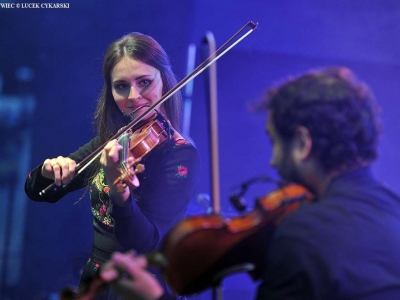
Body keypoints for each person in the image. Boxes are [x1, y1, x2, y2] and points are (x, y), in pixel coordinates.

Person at [98, 66, 400, 300]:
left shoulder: (301, 234)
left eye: (275, 142)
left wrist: (155, 297)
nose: (272, 162)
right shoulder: (393, 210)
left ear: (303, 143)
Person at [24, 32, 201, 300]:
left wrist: (121, 195)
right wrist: (48, 171)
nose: (134, 96)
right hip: (97, 280)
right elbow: (39, 193)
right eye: (121, 86)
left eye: (144, 82)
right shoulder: (115, 140)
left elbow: (147, 244)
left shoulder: (179, 156)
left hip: (141, 287)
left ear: (164, 80)